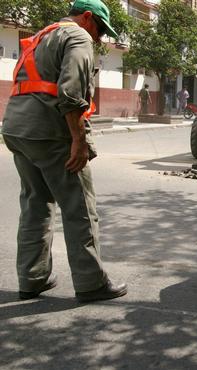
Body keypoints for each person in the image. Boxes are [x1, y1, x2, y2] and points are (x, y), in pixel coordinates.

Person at [1, 0, 127, 302]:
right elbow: (71, 93)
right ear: (86, 17)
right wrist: (78, 140)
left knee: (35, 204)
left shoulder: (44, 33)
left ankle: (32, 278)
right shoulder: (79, 36)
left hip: (17, 129)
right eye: (99, 29)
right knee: (79, 207)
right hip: (50, 133)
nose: (99, 38)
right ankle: (90, 282)